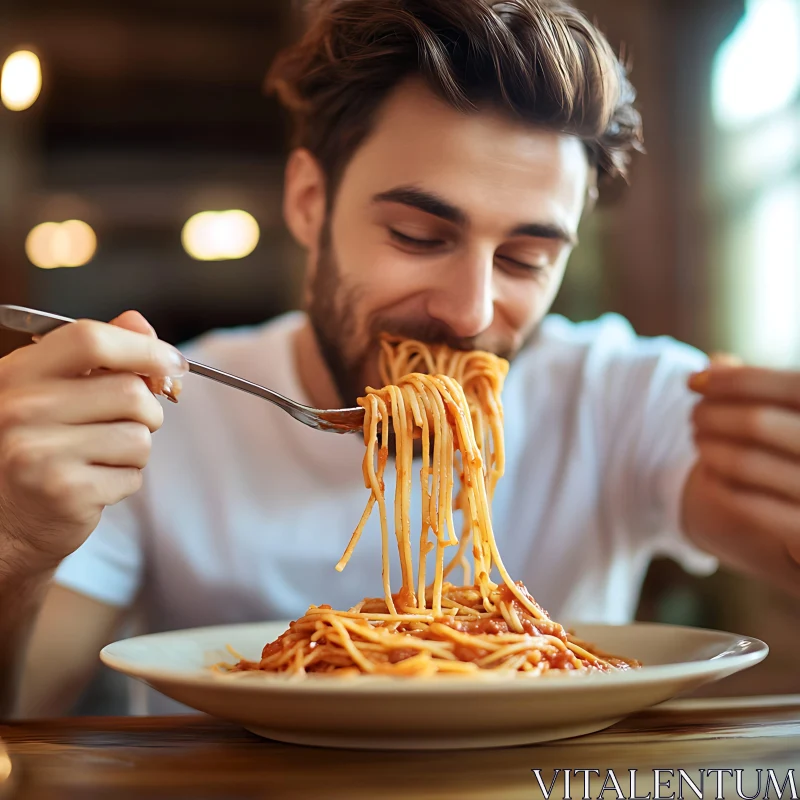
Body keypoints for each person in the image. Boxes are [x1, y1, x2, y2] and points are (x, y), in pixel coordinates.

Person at [1, 0, 799, 718]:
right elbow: (26, 710)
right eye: (418, 237)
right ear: (310, 203)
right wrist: (15, 543)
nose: (470, 310)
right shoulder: (163, 414)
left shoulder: (624, 395)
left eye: (524, 259)